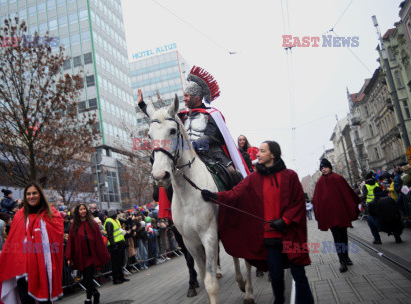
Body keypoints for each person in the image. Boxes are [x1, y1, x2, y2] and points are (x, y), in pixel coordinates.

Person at [201, 141, 314, 304]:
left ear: (272, 154)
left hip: (291, 236)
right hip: (270, 239)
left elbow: (298, 203)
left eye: (262, 151)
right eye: (258, 151)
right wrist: (214, 196)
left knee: (299, 276)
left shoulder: (290, 176)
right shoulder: (253, 178)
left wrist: (285, 221)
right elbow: (235, 194)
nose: (257, 154)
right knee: (276, 278)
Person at [138, 65, 250, 188]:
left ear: (197, 98)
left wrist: (193, 145)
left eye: (187, 96)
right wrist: (142, 105)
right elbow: (161, 119)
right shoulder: (182, 116)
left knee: (232, 173)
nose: (184, 99)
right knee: (167, 181)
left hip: (211, 154)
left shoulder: (212, 114)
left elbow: (213, 136)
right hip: (187, 154)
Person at [0, 182, 64, 303]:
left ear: (40, 195)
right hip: (23, 269)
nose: (31, 196)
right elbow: (13, 240)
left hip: (44, 268)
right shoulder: (19, 215)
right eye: (28, 194)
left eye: (34, 193)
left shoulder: (52, 213)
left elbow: (56, 239)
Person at [312, 158, 360, 273]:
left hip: (341, 214)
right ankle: (342, 261)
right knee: (337, 238)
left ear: (330, 167)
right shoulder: (319, 183)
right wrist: (319, 215)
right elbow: (317, 200)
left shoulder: (338, 178)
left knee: (344, 237)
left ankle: (346, 257)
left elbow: (348, 193)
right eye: (322, 168)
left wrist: (355, 203)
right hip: (331, 216)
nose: (324, 170)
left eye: (326, 167)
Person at [66, 204, 110, 304]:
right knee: (86, 279)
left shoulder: (92, 223)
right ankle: (95, 293)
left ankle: (88, 298)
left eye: (84, 209)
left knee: (88, 278)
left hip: (91, 256)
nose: (83, 211)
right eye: (81, 209)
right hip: (81, 256)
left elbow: (98, 239)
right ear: (78, 211)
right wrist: (69, 256)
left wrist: (101, 253)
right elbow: (71, 241)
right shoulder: (74, 225)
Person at [104, 208, 128, 285]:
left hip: (120, 243)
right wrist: (113, 245)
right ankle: (116, 278)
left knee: (121, 261)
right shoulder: (109, 222)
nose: (116, 214)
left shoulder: (116, 220)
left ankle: (121, 277)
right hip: (115, 245)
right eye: (115, 213)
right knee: (115, 263)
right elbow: (110, 235)